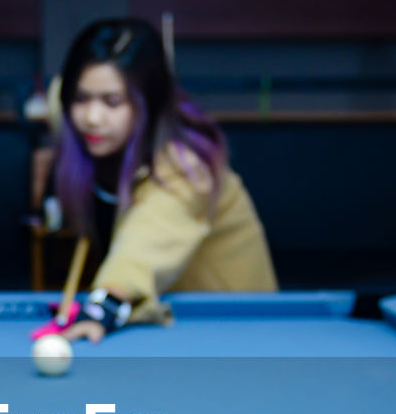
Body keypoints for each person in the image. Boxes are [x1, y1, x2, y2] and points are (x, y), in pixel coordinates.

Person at [45, 18, 277, 342]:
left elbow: (148, 239)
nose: (92, 118)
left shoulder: (187, 168)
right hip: (176, 326)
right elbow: (60, 97)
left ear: (148, 105)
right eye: (81, 99)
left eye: (112, 102)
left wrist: (104, 303)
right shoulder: (83, 120)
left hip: (238, 332)